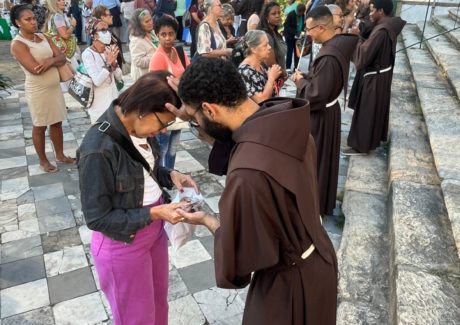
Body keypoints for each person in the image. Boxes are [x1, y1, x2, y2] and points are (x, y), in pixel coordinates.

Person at [174, 57, 337, 325]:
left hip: (290, 288)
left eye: (195, 119)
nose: (197, 125)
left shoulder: (247, 175)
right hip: (318, 258)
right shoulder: (284, 121)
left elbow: (239, 265)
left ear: (210, 110)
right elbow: (252, 150)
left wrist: (209, 221)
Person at [78, 71, 197, 325]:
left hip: (153, 232)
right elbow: (97, 218)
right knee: (137, 318)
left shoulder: (140, 129)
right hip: (123, 243)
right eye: (162, 123)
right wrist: (154, 213)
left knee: (158, 306)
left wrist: (170, 174)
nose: (161, 132)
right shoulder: (98, 148)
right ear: (142, 109)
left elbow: (146, 170)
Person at [292, 6, 358, 217]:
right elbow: (322, 83)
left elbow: (315, 95)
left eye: (310, 29)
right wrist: (309, 77)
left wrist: (301, 81)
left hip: (321, 115)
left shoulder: (329, 56)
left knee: (316, 159)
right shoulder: (333, 46)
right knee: (322, 158)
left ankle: (314, 205)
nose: (308, 33)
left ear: (321, 28)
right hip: (328, 112)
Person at [10, 4, 75, 173]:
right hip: (38, 90)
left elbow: (62, 57)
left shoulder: (44, 36)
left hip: (54, 89)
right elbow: (35, 69)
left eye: (33, 18)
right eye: (28, 19)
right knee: (40, 125)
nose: (33, 22)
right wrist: (53, 60)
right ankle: (43, 160)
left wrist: (50, 61)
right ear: (18, 22)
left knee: (57, 122)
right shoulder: (18, 44)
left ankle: (60, 155)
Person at [344, 0, 406, 155]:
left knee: (367, 111)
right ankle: (369, 141)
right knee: (371, 111)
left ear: (381, 11)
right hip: (380, 75)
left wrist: (356, 37)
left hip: (375, 79)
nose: (370, 14)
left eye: (372, 11)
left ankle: (360, 146)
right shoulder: (387, 25)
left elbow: (362, 57)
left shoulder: (381, 31)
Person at [149, 15, 190, 168]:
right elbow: (154, 90)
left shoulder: (179, 52)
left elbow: (189, 74)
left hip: (180, 108)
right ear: (157, 35)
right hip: (164, 110)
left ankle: (171, 178)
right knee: (162, 150)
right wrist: (160, 120)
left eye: (171, 33)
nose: (167, 38)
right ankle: (161, 181)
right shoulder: (158, 57)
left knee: (173, 150)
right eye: (163, 34)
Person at [82, 19, 123, 123]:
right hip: (99, 107)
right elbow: (97, 81)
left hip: (113, 102)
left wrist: (114, 64)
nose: (107, 32)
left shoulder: (108, 49)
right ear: (94, 35)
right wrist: (109, 64)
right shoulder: (87, 54)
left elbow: (119, 76)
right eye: (103, 30)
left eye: (107, 29)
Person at [237, 30, 282, 103]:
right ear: (254, 49)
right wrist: (271, 78)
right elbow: (261, 100)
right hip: (260, 113)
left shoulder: (261, 64)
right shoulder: (244, 71)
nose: (269, 47)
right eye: (265, 45)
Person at [44, 0, 79, 75]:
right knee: (72, 74)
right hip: (64, 50)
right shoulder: (58, 16)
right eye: (59, 0)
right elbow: (65, 35)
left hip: (58, 50)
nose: (63, 2)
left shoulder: (52, 15)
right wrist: (73, 25)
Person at [257, 2, 287, 72]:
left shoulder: (277, 34)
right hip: (272, 76)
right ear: (266, 17)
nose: (277, 16)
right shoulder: (266, 36)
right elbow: (271, 64)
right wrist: (285, 75)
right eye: (274, 14)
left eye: (279, 13)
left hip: (279, 76)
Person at [93, 5, 125, 69]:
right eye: (109, 15)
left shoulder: (107, 32)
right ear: (102, 17)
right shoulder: (103, 34)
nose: (112, 16)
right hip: (111, 67)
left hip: (115, 67)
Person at [129, 8, 157, 80]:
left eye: (151, 19)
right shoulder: (136, 40)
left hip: (155, 75)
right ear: (138, 25)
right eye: (147, 21)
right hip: (145, 78)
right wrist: (157, 56)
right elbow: (138, 61)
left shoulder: (152, 33)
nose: (150, 23)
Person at [283, 3, 305, 71]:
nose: (300, 14)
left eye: (301, 13)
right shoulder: (291, 14)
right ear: (297, 10)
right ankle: (288, 68)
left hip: (298, 37)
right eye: (299, 12)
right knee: (289, 52)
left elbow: (302, 25)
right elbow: (286, 26)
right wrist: (295, 32)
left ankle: (296, 67)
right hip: (289, 36)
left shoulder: (303, 16)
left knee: (297, 52)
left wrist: (303, 30)